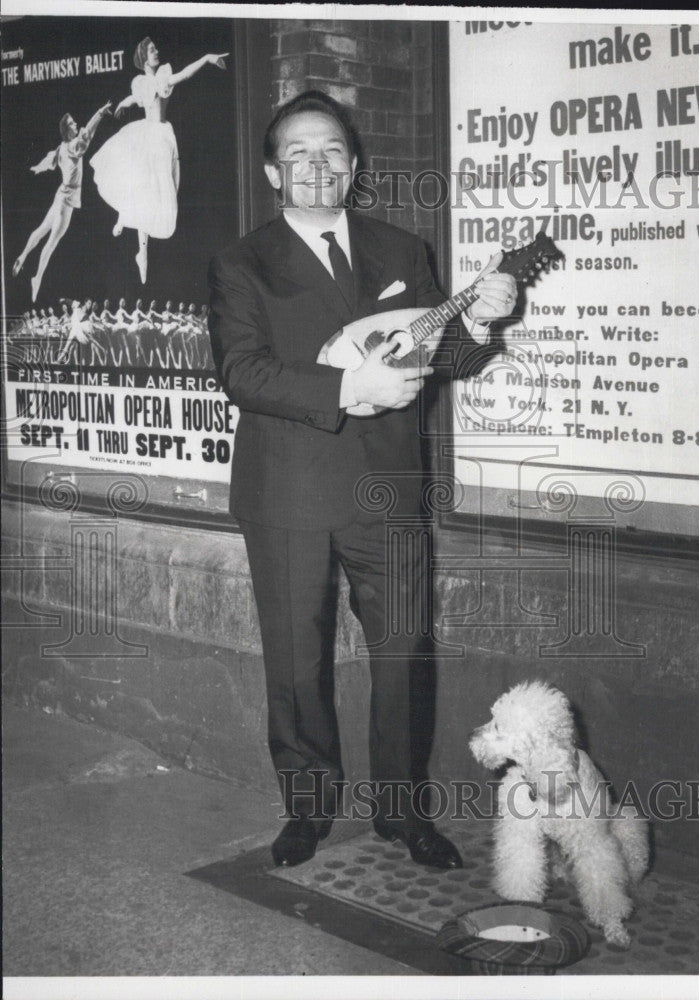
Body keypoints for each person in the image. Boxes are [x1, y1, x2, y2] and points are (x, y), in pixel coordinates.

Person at [208, 91, 516, 870]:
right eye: (299, 154)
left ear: (354, 165)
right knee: (296, 659)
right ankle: (307, 810)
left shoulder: (401, 249)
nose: (318, 166)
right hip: (289, 492)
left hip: (389, 489)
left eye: (333, 152)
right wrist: (350, 391)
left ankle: (402, 815)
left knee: (404, 654)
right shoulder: (241, 262)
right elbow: (242, 373)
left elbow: (440, 359)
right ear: (275, 172)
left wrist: (482, 322)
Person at [90, 37, 227, 284]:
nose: (157, 51)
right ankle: (133, 233)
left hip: (162, 136)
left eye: (156, 48)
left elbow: (184, 75)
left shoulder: (164, 75)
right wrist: (124, 102)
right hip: (147, 133)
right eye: (152, 49)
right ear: (144, 57)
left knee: (159, 192)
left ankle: (141, 250)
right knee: (140, 185)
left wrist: (207, 58)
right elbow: (139, 97)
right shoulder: (141, 81)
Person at [13, 101, 112, 303]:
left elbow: (48, 162)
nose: (76, 125)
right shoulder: (74, 146)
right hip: (66, 200)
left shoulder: (61, 148)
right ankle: (37, 278)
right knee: (51, 242)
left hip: (60, 195)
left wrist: (37, 168)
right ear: (67, 130)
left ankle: (23, 255)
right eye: (73, 124)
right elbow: (89, 132)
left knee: (41, 230)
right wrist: (100, 112)